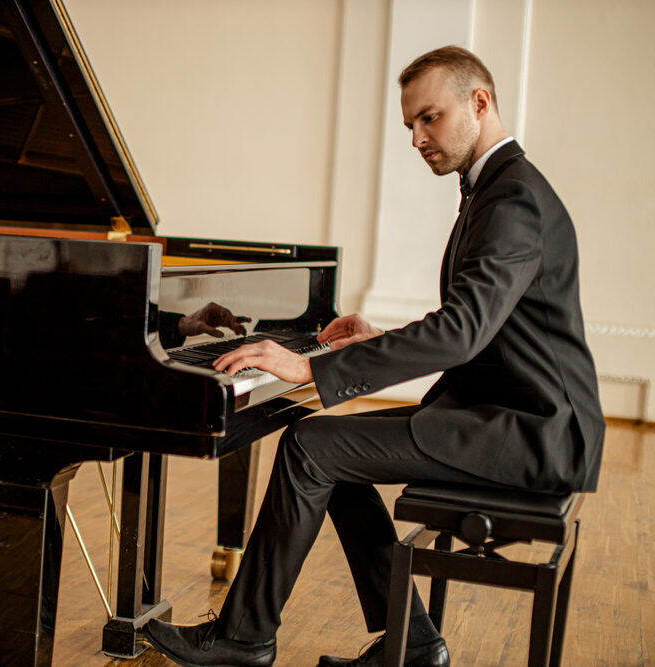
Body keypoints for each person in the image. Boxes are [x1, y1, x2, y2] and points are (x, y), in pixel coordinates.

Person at [142, 45, 604, 667]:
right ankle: (409, 643)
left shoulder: (511, 197)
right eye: (410, 124)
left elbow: (464, 329)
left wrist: (311, 366)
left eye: (429, 118)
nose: (417, 137)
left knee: (313, 448)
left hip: (536, 434)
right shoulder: (497, 187)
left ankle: (244, 639)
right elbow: (484, 326)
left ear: (480, 102)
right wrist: (376, 337)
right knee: (323, 447)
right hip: (516, 416)